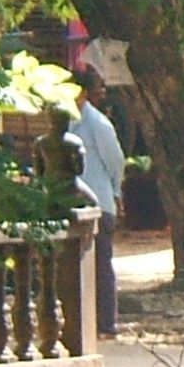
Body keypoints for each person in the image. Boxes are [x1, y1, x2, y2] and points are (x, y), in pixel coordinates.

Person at [69, 74, 126, 336]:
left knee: (101, 262)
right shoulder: (68, 123)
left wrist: (115, 191)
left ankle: (107, 322)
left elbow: (116, 161)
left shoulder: (98, 124)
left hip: (99, 201)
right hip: (71, 202)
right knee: (73, 265)